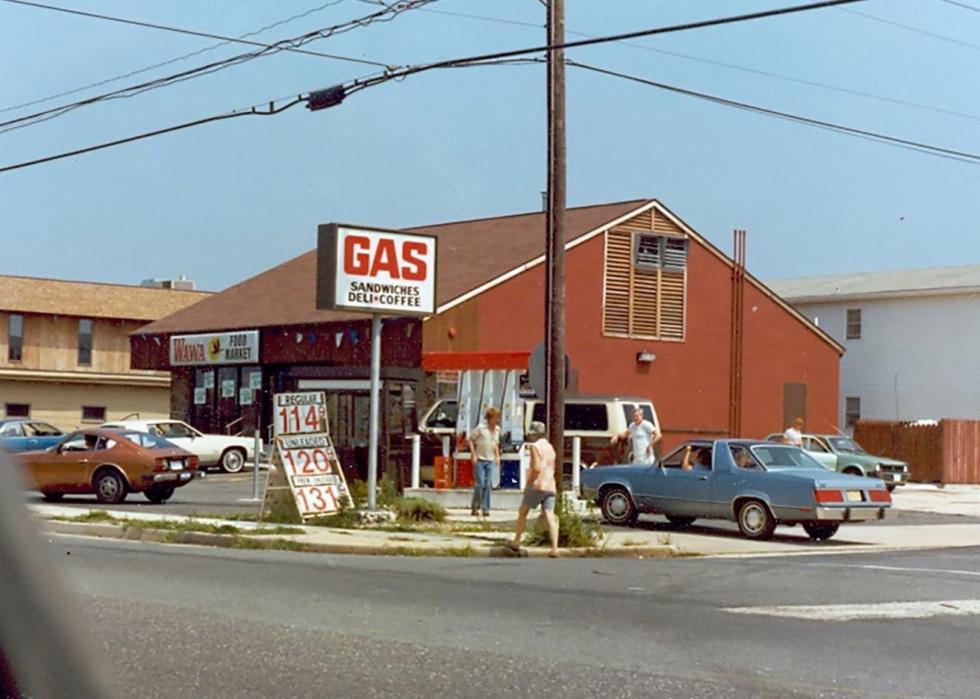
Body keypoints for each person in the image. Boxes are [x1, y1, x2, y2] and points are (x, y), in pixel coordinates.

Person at [508, 421, 559, 557]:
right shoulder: (550, 447)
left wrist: (528, 483)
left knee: (523, 511)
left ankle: (517, 540)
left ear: (534, 434)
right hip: (550, 484)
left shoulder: (535, 447)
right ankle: (554, 547)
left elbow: (536, 467)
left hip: (537, 484)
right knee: (550, 515)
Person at [468, 407, 501, 517]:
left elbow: (495, 443)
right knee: (480, 484)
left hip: (490, 460)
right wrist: (473, 454)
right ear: (489, 418)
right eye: (495, 418)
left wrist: (497, 455)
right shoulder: (481, 428)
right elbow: (471, 440)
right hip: (480, 459)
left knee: (487, 484)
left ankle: (486, 508)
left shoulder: (497, 430)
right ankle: (475, 506)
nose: (497, 420)